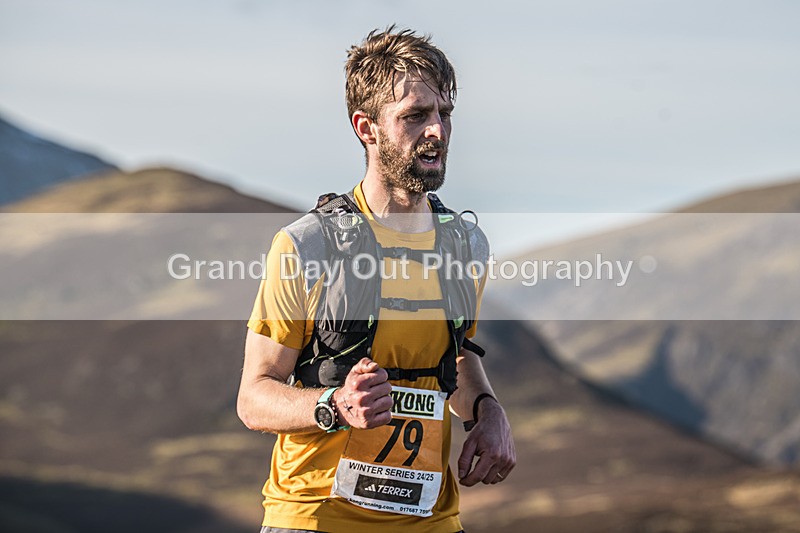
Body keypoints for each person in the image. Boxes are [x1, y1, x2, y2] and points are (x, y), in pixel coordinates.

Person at [237, 26, 515, 533]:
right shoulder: (307, 245)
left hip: (431, 520)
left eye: (444, 114)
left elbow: (453, 358)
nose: (437, 132)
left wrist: (487, 410)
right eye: (415, 116)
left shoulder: (465, 246)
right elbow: (254, 398)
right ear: (366, 127)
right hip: (315, 518)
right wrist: (336, 403)